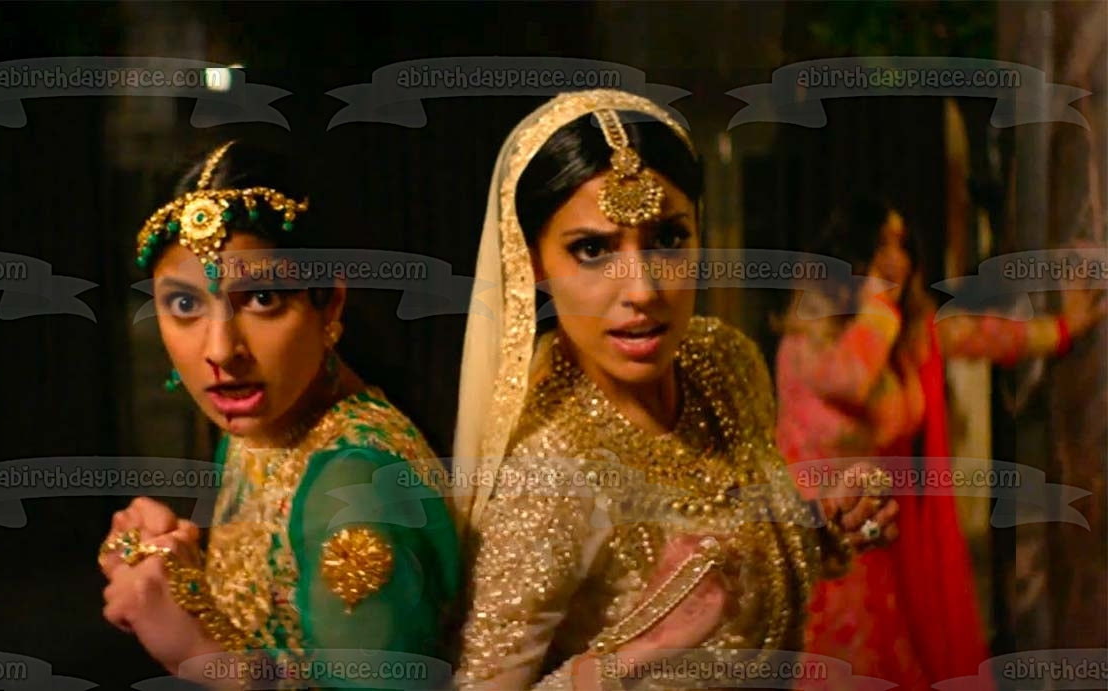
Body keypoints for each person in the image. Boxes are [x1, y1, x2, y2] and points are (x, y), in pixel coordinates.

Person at [450, 90, 898, 690]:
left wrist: (820, 528)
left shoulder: (723, 363)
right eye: (592, 249)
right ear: (531, 263)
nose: (642, 290)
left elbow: (731, 577)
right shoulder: (547, 476)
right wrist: (640, 652)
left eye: (667, 239)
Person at [97, 141, 461, 689]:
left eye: (262, 298)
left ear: (328, 303)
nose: (221, 351)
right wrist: (174, 569)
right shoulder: (261, 424)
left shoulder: (353, 486)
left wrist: (194, 649)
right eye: (185, 305)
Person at [775, 195, 1106, 690]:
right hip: (820, 541)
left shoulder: (907, 332)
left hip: (879, 539)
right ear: (850, 255)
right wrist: (879, 308)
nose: (897, 258)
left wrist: (1063, 330)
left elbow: (986, 336)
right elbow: (852, 378)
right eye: (882, 244)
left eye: (903, 245)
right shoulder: (808, 337)